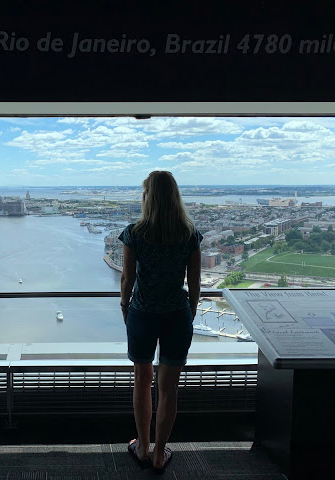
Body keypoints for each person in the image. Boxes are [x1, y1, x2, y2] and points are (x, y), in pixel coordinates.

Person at [119, 171, 202, 474]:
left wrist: (125, 307)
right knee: (169, 388)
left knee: (142, 380)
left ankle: (141, 446)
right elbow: (195, 282)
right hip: (177, 314)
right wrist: (189, 311)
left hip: (142, 312)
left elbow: (127, 278)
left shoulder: (134, 232)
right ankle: (159, 453)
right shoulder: (189, 233)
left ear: (148, 197)